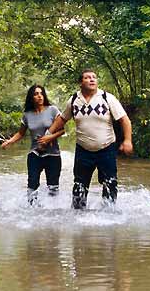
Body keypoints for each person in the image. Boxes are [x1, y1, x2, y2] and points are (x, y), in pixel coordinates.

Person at [40, 69, 133, 209]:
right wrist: (47, 135)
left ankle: (109, 214)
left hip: (106, 148)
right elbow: (62, 119)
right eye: (87, 77)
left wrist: (127, 141)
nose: (92, 79)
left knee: (110, 182)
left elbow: (125, 120)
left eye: (94, 77)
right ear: (80, 82)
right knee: (79, 184)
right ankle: (78, 215)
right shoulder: (73, 100)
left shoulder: (107, 98)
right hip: (83, 150)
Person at [1, 84, 65, 205]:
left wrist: (49, 137)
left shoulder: (53, 110)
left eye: (41, 93)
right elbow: (20, 133)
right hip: (35, 153)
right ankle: (32, 211)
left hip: (53, 154)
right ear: (31, 97)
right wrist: (9, 141)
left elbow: (62, 130)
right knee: (32, 183)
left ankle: (53, 211)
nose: (39, 96)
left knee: (53, 187)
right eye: (36, 94)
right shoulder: (27, 115)